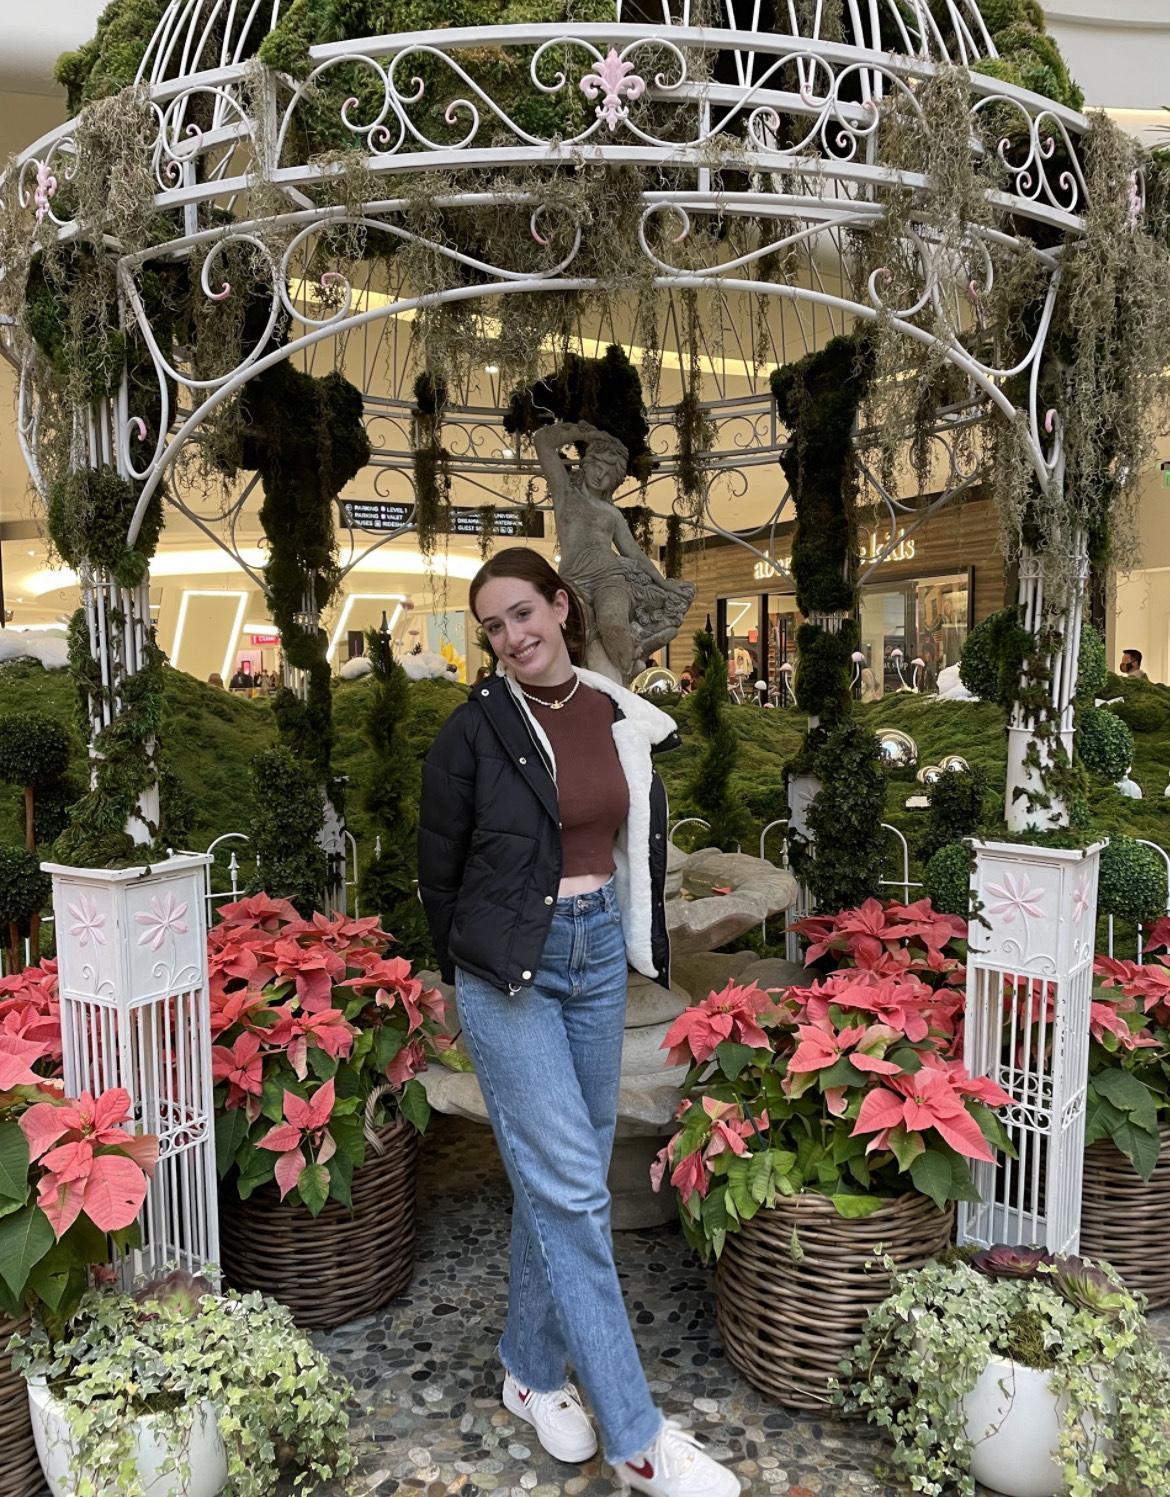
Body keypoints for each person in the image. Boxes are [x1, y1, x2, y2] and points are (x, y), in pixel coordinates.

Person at [418, 547, 739, 1497]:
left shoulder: (616, 713)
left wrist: (626, 934)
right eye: (493, 627)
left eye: (524, 613)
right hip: (510, 973)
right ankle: (638, 1437)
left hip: (597, 959)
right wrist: (467, 976)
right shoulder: (472, 734)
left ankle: (529, 1367)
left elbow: (634, 836)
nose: (513, 637)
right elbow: (439, 876)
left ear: (561, 607)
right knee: (570, 1190)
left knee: (565, 1179)